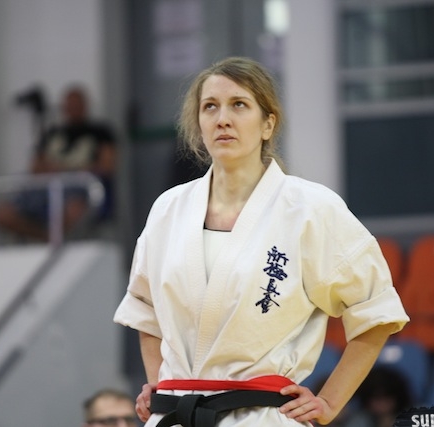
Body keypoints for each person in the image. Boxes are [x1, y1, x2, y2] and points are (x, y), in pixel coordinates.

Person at [113, 57, 409, 426]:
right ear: (199, 124)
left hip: (262, 416)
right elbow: (146, 312)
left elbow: (377, 313)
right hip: (176, 417)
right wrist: (164, 386)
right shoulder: (168, 209)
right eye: (210, 107)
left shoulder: (310, 208)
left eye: (239, 104)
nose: (223, 118)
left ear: (268, 123)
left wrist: (330, 401)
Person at [0, 84, 116, 241]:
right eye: (69, 105)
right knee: (1, 213)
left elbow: (107, 167)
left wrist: (66, 170)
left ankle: (54, 242)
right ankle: (46, 239)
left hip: (79, 188)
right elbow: (35, 168)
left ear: (85, 105)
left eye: (77, 104)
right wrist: (54, 171)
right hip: (45, 189)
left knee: (75, 209)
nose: (73, 108)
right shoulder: (52, 133)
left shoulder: (101, 132)